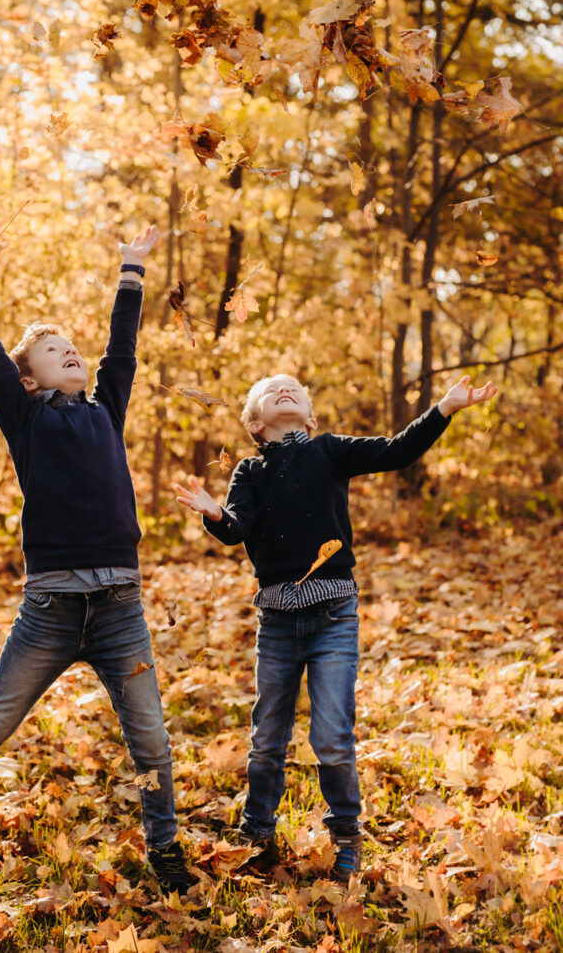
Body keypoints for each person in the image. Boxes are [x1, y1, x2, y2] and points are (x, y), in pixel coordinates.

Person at [0, 226, 191, 894]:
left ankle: (165, 845)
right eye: (53, 350)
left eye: (71, 347)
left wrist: (132, 267)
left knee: (151, 737)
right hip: (51, 611)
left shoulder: (106, 409)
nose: (71, 352)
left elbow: (123, 349)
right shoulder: (25, 416)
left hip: (120, 608)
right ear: (29, 380)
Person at [175, 372, 497, 882]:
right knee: (267, 737)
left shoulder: (330, 451)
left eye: (294, 387)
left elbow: (397, 451)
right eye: (270, 389)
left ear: (310, 416)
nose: (284, 389)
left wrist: (444, 409)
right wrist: (214, 513)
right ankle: (257, 831)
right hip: (277, 623)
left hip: (333, 616)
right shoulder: (249, 471)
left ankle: (345, 834)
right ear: (254, 423)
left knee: (331, 737)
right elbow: (236, 530)